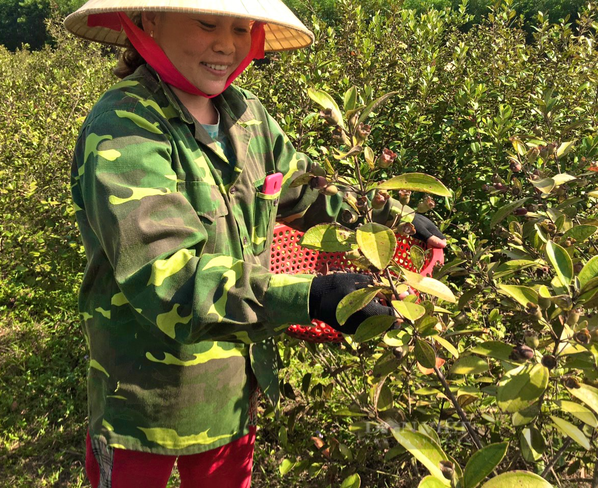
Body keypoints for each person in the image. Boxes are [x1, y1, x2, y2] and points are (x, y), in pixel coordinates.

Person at [64, 1, 447, 486]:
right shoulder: (124, 126)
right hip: (143, 400)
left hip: (232, 391)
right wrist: (312, 296)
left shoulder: (246, 115)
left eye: (241, 27)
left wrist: (395, 216)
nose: (226, 43)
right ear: (149, 20)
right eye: (206, 23)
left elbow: (304, 191)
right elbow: (168, 277)